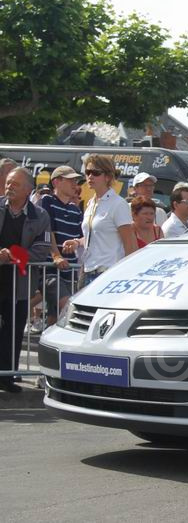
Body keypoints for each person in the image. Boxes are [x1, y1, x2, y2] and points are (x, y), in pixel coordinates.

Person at [0, 168, 51, 392]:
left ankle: (7, 377)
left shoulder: (40, 216)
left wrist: (13, 256)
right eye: (8, 183)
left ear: (28, 189)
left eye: (15, 184)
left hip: (19, 285)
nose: (9, 187)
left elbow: (41, 249)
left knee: (13, 331)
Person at [62, 154, 136, 287]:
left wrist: (128, 275)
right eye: (87, 172)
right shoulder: (91, 203)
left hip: (109, 273)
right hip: (87, 270)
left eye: (95, 173)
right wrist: (77, 242)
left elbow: (129, 244)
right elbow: (94, 236)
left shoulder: (118, 204)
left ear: (108, 177)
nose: (90, 176)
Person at [39, 166, 84, 325]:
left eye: (76, 180)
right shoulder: (47, 201)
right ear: (56, 182)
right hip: (51, 270)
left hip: (71, 271)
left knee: (55, 316)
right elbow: (46, 229)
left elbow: (84, 236)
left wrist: (77, 242)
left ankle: (48, 348)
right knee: (67, 308)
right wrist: (56, 255)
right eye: (71, 180)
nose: (75, 184)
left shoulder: (76, 210)